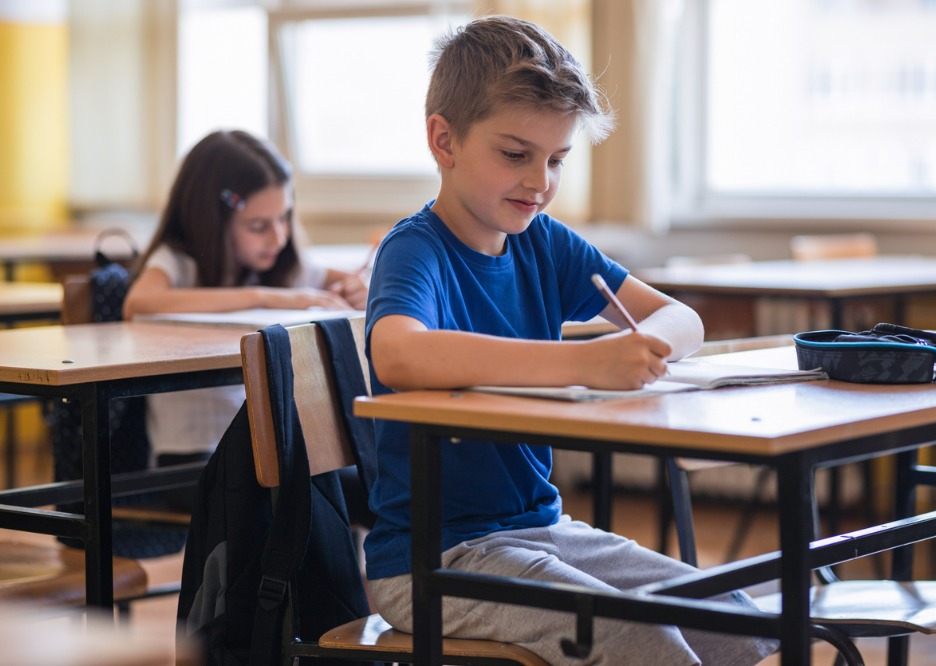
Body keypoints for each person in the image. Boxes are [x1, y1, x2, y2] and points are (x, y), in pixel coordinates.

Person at [362, 15, 777, 666]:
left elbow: (681, 318)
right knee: (642, 641)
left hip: (541, 531)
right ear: (444, 140)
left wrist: (646, 349)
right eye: (515, 154)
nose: (539, 182)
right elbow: (398, 353)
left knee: (733, 623)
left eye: (557, 160)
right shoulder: (416, 250)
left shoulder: (545, 242)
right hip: (430, 559)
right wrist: (584, 361)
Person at [123, 129, 369, 512]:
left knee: (380, 487)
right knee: (338, 497)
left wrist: (355, 288)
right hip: (193, 460)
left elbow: (334, 279)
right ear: (212, 219)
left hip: (271, 449)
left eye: (284, 217)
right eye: (258, 226)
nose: (279, 237)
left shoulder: (275, 264)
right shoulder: (179, 262)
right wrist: (264, 297)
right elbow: (138, 304)